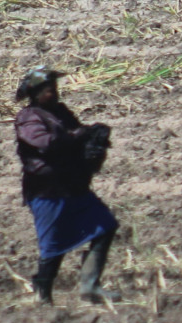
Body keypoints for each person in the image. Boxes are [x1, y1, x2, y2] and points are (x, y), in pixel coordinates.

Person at [13, 66, 120, 303]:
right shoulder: (29, 117)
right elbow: (43, 142)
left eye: (55, 88)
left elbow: (75, 131)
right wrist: (74, 137)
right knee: (52, 245)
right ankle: (43, 295)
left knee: (105, 225)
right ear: (36, 93)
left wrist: (91, 136)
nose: (55, 93)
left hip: (72, 184)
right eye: (50, 89)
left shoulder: (60, 112)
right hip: (46, 189)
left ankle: (90, 286)